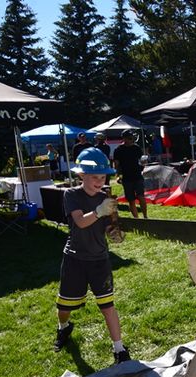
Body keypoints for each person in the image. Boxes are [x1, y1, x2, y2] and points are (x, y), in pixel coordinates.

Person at [54, 147, 131, 364]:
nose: (99, 181)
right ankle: (63, 327)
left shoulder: (104, 198)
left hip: (99, 260)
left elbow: (108, 228)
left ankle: (119, 349)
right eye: (94, 177)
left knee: (108, 306)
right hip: (75, 259)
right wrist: (99, 211)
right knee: (64, 307)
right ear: (81, 175)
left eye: (103, 176)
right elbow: (80, 222)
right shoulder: (72, 195)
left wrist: (115, 233)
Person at [113, 129, 147, 219]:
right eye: (129, 138)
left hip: (137, 176)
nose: (131, 139)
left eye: (131, 138)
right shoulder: (119, 150)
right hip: (126, 177)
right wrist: (118, 175)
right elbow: (116, 164)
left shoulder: (136, 148)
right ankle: (136, 219)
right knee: (131, 200)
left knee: (141, 197)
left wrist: (144, 163)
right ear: (124, 138)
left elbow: (142, 161)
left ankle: (146, 217)